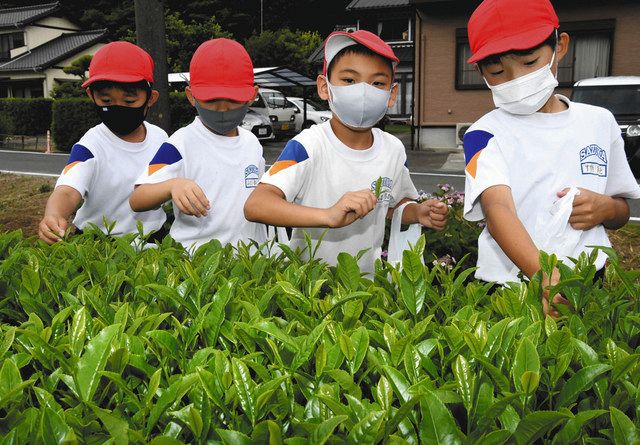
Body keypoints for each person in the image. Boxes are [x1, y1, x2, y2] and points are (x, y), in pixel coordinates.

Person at [462, 0, 640, 315]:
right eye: (498, 71)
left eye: (530, 61)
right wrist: (544, 277)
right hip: (510, 281)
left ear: (560, 46)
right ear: (479, 70)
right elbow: (497, 207)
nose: (516, 79)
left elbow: (621, 212)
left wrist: (605, 207)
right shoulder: (482, 134)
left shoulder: (599, 122)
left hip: (586, 274)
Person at [244, 30, 448, 273]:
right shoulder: (307, 145)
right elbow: (256, 205)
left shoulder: (393, 150)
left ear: (391, 94)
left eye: (377, 83)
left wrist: (417, 212)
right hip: (308, 289)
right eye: (349, 80)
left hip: (366, 286)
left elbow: (392, 205)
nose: (363, 92)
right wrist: (328, 216)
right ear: (324, 87)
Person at [130, 38, 266, 251]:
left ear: (252, 95)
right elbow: (138, 198)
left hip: (248, 262)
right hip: (196, 262)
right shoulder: (180, 143)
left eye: (233, 100)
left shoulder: (252, 144)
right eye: (211, 100)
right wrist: (172, 185)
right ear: (191, 96)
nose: (222, 109)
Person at [38, 41, 167, 245]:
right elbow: (68, 191)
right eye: (106, 101)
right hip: (100, 245)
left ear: (150, 98)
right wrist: (54, 215)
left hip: (153, 241)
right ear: (92, 96)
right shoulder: (90, 146)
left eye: (129, 102)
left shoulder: (161, 139)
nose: (117, 107)